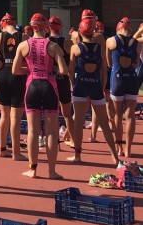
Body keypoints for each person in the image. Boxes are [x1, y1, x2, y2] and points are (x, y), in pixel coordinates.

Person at [12, 13, 68, 180]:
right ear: (46, 27)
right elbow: (64, 71)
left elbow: (15, 70)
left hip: (32, 86)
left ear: (32, 26)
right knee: (51, 131)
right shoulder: (53, 46)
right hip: (49, 86)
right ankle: (51, 171)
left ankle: (33, 169)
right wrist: (53, 70)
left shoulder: (23, 45)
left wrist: (29, 70)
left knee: (32, 130)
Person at [68, 18, 120, 165]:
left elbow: (70, 71)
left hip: (81, 86)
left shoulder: (75, 48)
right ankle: (115, 156)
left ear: (80, 31)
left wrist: (74, 86)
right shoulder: (99, 49)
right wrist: (101, 87)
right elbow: (104, 71)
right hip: (96, 86)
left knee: (78, 122)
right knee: (104, 123)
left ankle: (77, 155)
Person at [0, 14, 27, 160]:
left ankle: (2, 148)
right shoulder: (23, 37)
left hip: (3, 75)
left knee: (4, 115)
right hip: (17, 75)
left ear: (3, 24)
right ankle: (16, 152)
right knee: (16, 116)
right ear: (15, 23)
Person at [106, 17, 139, 158]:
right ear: (130, 29)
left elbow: (108, 63)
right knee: (130, 115)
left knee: (118, 115)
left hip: (117, 79)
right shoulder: (137, 43)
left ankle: (119, 147)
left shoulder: (110, 41)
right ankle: (128, 149)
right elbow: (136, 64)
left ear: (118, 28)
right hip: (132, 79)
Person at [48, 16, 75, 147]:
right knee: (67, 114)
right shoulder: (67, 43)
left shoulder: (45, 42)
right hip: (63, 80)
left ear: (49, 27)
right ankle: (73, 140)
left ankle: (53, 142)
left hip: (50, 81)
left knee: (51, 113)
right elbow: (72, 66)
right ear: (61, 27)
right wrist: (72, 82)